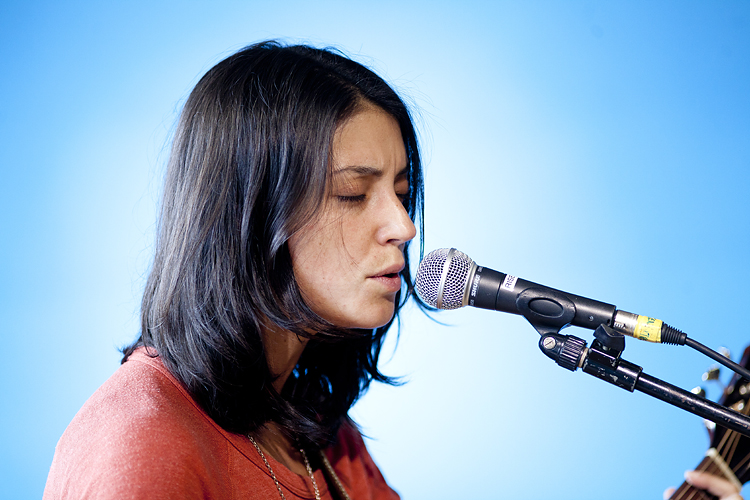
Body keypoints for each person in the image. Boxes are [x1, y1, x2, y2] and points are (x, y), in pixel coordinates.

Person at [43, 41, 743, 500]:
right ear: (250, 211)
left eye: (404, 195)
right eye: (355, 193)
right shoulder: (140, 442)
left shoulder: (322, 438)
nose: (404, 228)